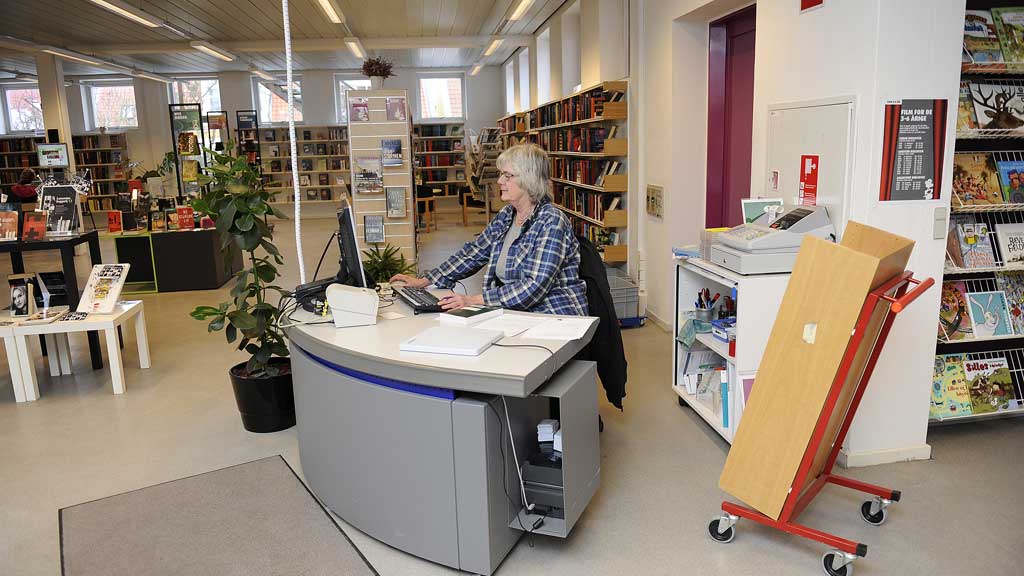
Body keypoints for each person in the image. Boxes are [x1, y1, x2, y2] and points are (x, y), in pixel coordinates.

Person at [391, 143, 587, 315]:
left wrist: (474, 300)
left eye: (507, 175)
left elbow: (534, 287)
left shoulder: (552, 221)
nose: (500, 181)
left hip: (552, 316)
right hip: (516, 312)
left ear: (530, 179)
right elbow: (472, 254)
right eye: (501, 174)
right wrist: (425, 281)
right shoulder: (506, 215)